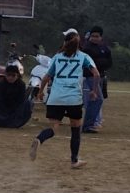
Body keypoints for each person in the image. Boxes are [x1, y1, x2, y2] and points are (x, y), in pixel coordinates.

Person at [28, 28, 100, 169]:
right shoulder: (83, 57)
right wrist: (94, 91)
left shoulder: (57, 57)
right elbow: (96, 74)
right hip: (74, 97)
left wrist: (41, 92)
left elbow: (47, 77)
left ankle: (39, 139)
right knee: (76, 129)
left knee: (53, 128)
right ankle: (74, 160)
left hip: (56, 97)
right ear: (78, 44)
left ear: (64, 42)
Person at [80, 26, 112, 133]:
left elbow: (109, 62)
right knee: (96, 99)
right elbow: (89, 64)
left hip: (101, 76)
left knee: (97, 100)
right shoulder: (87, 48)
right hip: (90, 77)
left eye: (96, 36)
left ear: (101, 37)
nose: (94, 38)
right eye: (92, 36)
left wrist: (101, 65)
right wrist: (98, 65)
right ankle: (88, 125)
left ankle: (92, 123)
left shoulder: (104, 47)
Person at [0, 62, 32, 128]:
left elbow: (21, 99)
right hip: (2, 107)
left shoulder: (21, 84)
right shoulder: (1, 84)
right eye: (8, 75)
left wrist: (14, 108)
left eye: (13, 75)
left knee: (27, 103)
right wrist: (4, 109)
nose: (10, 77)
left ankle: (16, 122)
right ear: (5, 75)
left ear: (17, 75)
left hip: (16, 107)